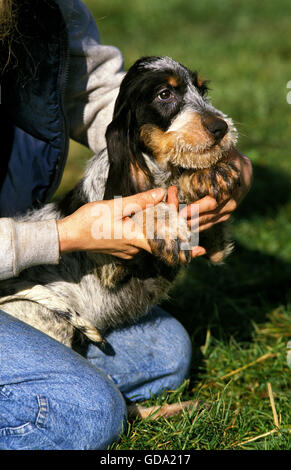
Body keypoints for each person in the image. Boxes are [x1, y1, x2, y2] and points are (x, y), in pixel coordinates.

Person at [0, 0, 252, 450]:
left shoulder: (41, 7)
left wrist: (232, 167)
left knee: (168, 354)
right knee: (90, 411)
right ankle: (84, 404)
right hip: (21, 291)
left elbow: (105, 97)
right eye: (171, 96)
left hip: (25, 278)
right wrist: (63, 236)